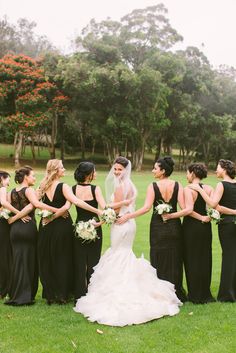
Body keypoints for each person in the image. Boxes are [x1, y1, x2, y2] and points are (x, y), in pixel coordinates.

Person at [74, 156, 181, 327]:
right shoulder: (129, 184)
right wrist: (119, 206)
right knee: (124, 254)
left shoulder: (121, 187)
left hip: (121, 224)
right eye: (114, 169)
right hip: (129, 223)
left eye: (119, 169)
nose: (116, 172)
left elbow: (113, 212)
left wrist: (98, 222)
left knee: (119, 255)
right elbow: (121, 207)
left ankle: (121, 292)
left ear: (126, 170)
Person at [118, 156, 192, 302]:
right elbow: (186, 209)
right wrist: (172, 216)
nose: (153, 171)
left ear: (163, 171)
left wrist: (128, 216)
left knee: (158, 257)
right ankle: (175, 291)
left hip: (158, 227)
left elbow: (146, 208)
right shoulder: (178, 185)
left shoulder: (153, 186)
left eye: (155, 168)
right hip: (174, 227)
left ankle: (160, 293)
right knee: (174, 258)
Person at [37, 159, 103, 305]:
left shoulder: (43, 185)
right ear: (56, 170)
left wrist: (49, 215)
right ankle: (62, 294)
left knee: (47, 258)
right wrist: (97, 210)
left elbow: (36, 203)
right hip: (61, 226)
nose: (65, 169)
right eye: (62, 167)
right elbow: (76, 202)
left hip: (45, 225)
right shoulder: (64, 186)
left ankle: (50, 294)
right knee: (63, 259)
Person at [72, 161, 131, 301]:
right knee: (93, 260)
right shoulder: (95, 189)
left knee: (79, 261)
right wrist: (101, 222)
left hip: (79, 225)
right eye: (94, 171)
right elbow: (105, 208)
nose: (96, 173)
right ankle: (92, 292)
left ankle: (79, 293)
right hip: (95, 226)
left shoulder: (73, 188)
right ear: (89, 174)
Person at [189, 159, 236, 302]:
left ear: (224, 169)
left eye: (218, 168)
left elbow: (213, 204)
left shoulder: (221, 185)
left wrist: (199, 190)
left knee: (228, 257)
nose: (216, 171)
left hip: (227, 224)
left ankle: (227, 295)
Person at [5, 167, 39, 305]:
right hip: (27, 227)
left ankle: (14, 293)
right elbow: (32, 206)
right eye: (33, 176)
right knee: (28, 261)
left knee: (18, 261)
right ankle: (25, 296)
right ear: (25, 177)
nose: (34, 178)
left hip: (14, 230)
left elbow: (7, 209)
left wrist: (13, 219)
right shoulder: (29, 190)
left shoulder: (12, 192)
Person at [183, 163, 215, 303]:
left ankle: (194, 294)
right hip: (206, 227)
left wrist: (201, 217)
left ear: (193, 174)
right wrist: (206, 217)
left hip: (191, 227)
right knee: (205, 258)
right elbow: (213, 207)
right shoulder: (209, 188)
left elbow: (188, 210)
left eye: (187, 172)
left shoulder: (188, 189)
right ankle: (205, 293)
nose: (186, 175)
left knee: (191, 258)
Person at [0, 171, 13, 298]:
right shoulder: (3, 189)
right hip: (2, 226)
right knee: (4, 256)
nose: (9, 182)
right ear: (2, 179)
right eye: (8, 179)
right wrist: (17, 211)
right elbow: (3, 203)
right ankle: (4, 288)